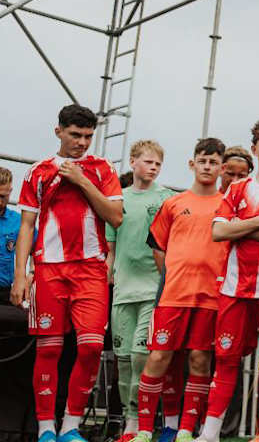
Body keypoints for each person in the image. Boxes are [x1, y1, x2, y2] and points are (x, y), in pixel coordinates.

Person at [11, 104, 124, 442]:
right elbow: (27, 225)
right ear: (58, 131)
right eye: (75, 135)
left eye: (88, 136)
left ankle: (70, 426)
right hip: (49, 271)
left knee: (90, 348)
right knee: (48, 349)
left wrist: (82, 180)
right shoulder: (38, 172)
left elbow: (116, 217)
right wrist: (21, 274)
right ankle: (46, 428)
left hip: (91, 270)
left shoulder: (102, 168)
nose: (82, 142)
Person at [199, 119, 259, 442]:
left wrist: (242, 224)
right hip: (233, 286)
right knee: (225, 359)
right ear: (254, 149)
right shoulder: (238, 188)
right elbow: (218, 231)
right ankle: (210, 432)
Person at [132, 138, 229, 442]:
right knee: (159, 357)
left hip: (210, 297)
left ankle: (187, 430)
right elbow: (158, 247)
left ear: (221, 168)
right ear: (192, 164)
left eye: (214, 162)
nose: (207, 167)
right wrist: (173, 275)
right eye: (203, 161)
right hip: (173, 295)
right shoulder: (174, 202)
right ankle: (145, 431)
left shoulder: (227, 204)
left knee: (200, 359)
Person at [107, 140, 177, 442]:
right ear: (133, 162)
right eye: (147, 162)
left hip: (152, 289)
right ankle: (128, 420)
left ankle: (142, 420)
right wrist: (108, 278)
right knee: (122, 360)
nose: (153, 167)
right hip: (123, 290)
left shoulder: (168, 199)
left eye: (158, 164)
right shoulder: (117, 199)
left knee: (140, 356)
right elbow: (110, 247)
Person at [0, 167, 19, 290]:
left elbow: (39, 247)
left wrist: (31, 273)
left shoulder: (17, 221)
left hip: (5, 293)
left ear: (10, 191)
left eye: (3, 196)